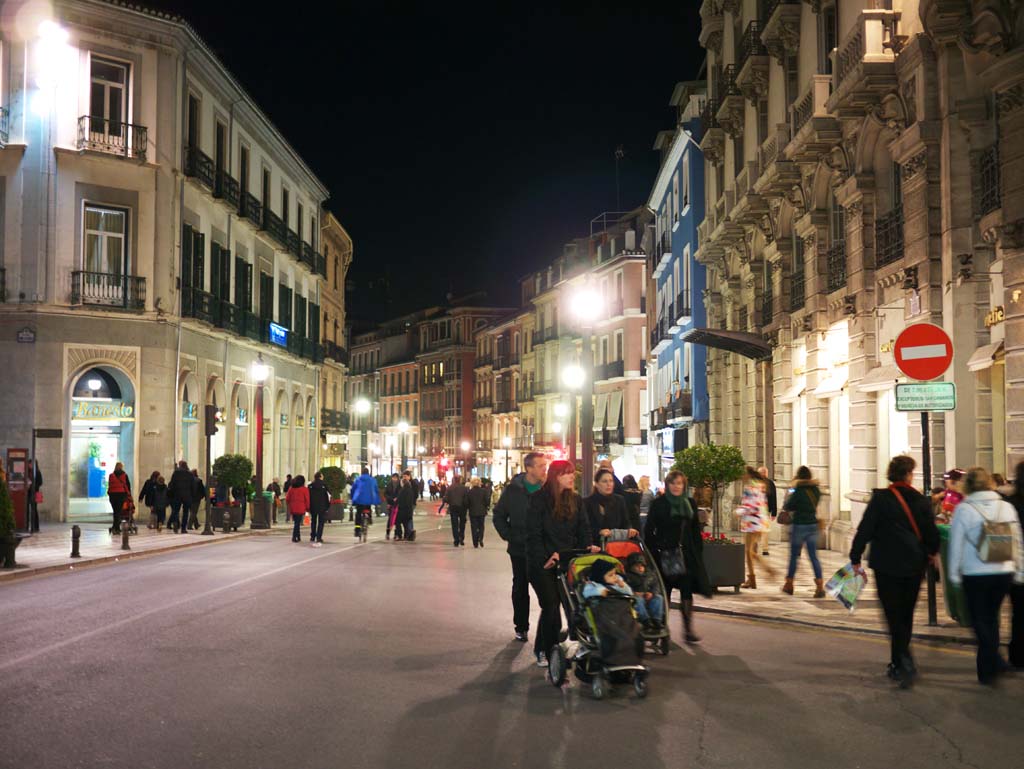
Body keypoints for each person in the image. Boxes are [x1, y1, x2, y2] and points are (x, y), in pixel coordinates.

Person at [850, 455, 940, 689]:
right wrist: (931, 552)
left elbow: (865, 528)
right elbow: (931, 533)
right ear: (908, 474)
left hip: (886, 565)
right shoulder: (920, 500)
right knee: (906, 613)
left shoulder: (880, 499)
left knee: (892, 614)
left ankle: (904, 660)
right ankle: (898, 661)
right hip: (913, 564)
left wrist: (855, 557)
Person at [947, 467, 1024, 685]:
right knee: (991, 617)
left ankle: (990, 665)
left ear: (968, 485)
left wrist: (954, 575)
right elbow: (1017, 540)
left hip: (975, 573)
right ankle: (991, 665)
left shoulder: (964, 509)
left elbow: (956, 545)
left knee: (979, 620)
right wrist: (1019, 569)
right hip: (1003, 571)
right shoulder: (1007, 507)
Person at [525, 459, 596, 667]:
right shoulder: (538, 500)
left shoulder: (576, 500)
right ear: (556, 476)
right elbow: (534, 534)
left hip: (567, 562)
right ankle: (547, 650)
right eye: (567, 473)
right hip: (542, 564)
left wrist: (587, 546)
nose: (572, 477)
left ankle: (548, 647)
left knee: (566, 606)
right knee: (551, 605)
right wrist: (547, 557)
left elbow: (584, 529)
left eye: (572, 473)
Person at [645, 470, 709, 644]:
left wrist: (697, 551)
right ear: (668, 484)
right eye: (673, 483)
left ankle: (688, 630)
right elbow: (649, 531)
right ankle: (661, 629)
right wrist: (653, 552)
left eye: (679, 483)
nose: (676, 486)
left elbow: (695, 530)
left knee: (687, 591)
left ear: (684, 485)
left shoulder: (689, 503)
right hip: (664, 554)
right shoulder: (658, 504)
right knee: (664, 592)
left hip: (685, 555)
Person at [493, 452, 548, 643]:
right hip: (519, 549)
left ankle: (549, 628)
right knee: (520, 588)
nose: (544, 469)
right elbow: (498, 515)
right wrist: (510, 535)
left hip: (543, 550)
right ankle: (521, 627)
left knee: (548, 592)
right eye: (541, 466)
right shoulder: (513, 491)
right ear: (529, 468)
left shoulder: (548, 489)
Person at [780, 466, 824, 598]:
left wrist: (791, 488)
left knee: (794, 556)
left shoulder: (797, 490)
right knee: (813, 557)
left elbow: (788, 505)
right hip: (812, 525)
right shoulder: (816, 490)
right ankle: (820, 586)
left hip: (799, 525)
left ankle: (789, 584)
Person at [1001, 461, 1024, 669]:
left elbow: (1000, 537)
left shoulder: (1009, 504)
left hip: (1016, 567)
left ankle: (1017, 656)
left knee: (1018, 613)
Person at [739, 467, 776, 589]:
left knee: (748, 551)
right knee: (751, 551)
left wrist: (738, 511)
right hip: (760, 521)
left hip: (752, 522)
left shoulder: (750, 487)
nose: (741, 478)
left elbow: (750, 506)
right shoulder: (761, 485)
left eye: (743, 475)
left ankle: (760, 574)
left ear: (748, 475)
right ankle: (753, 577)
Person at [583, 468, 638, 546]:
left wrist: (630, 530)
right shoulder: (587, 503)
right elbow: (584, 528)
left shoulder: (619, 500)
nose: (608, 484)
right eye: (604, 481)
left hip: (617, 545)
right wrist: (599, 532)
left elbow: (625, 522)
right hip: (597, 545)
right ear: (597, 484)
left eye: (611, 481)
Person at [624, 552, 664, 630]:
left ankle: (656, 620)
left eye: (642, 566)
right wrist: (633, 592)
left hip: (648, 596)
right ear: (630, 567)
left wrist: (652, 593)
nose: (640, 568)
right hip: (636, 597)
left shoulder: (650, 575)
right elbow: (624, 587)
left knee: (659, 598)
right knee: (637, 600)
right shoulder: (627, 576)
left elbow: (656, 585)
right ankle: (645, 620)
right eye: (637, 566)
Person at [350, 467, 381, 537]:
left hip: (359, 500)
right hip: (369, 500)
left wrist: (353, 498)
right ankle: (369, 519)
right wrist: (377, 499)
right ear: (368, 473)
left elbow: (353, 489)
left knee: (358, 514)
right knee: (368, 508)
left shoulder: (358, 480)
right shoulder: (373, 480)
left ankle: (357, 530)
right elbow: (376, 490)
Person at [167, 461, 194, 534]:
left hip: (177, 495)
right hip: (187, 496)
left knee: (176, 511)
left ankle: (175, 523)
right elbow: (193, 486)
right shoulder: (190, 474)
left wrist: (171, 493)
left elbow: (172, 484)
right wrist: (192, 496)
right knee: (185, 512)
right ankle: (183, 528)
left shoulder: (176, 473)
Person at [107, 462, 132, 534]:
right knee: (119, 511)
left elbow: (110, 485)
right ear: (121, 467)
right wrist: (129, 495)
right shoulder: (124, 475)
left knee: (115, 511)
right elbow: (128, 485)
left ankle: (115, 526)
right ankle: (117, 528)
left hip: (112, 495)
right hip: (121, 495)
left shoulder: (111, 475)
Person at [757, 465, 777, 556]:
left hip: (757, 510)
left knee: (757, 529)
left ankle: (756, 547)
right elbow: (773, 498)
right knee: (764, 530)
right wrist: (774, 512)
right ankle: (765, 549)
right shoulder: (770, 483)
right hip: (765, 510)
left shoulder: (754, 483)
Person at [445, 476, 469, 547]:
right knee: (462, 523)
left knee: (454, 524)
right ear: (460, 480)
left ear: (454, 480)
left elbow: (446, 498)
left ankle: (456, 539)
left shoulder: (450, 488)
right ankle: (461, 537)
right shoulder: (464, 488)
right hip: (462, 508)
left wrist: (449, 501)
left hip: (453, 507)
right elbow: (466, 498)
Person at [308, 471, 331, 547]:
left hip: (313, 506)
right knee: (321, 522)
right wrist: (328, 505)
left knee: (313, 521)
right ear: (320, 477)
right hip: (322, 506)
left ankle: (312, 536)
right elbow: (329, 494)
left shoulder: (310, 486)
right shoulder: (324, 485)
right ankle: (319, 537)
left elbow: (308, 496)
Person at [467, 476, 491, 548]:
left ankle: (475, 542)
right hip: (481, 511)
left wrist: (469, 507)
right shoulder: (483, 491)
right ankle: (480, 538)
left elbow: (467, 502)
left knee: (474, 527)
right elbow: (487, 501)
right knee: (481, 526)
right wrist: (486, 506)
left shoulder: (470, 492)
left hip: (473, 511)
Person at [285, 474, 309, 543]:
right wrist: (307, 508)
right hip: (301, 507)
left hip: (293, 507)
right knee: (297, 523)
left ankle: (298, 536)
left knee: (296, 522)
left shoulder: (291, 488)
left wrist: (290, 504)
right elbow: (307, 499)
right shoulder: (304, 489)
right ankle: (294, 536)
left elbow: (287, 498)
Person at [395, 474, 417, 541]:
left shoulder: (403, 490)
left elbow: (399, 499)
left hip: (402, 510)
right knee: (405, 523)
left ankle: (399, 535)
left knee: (397, 522)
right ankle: (406, 535)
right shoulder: (410, 490)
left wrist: (395, 502)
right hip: (408, 510)